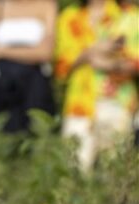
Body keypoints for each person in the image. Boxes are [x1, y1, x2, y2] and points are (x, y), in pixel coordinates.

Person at [56, 0, 138, 171]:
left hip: (117, 101)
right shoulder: (70, 17)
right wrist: (93, 51)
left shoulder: (129, 15)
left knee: (115, 171)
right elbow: (61, 67)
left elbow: (135, 62)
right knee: (74, 170)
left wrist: (107, 64)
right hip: (79, 105)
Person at [0, 0, 58, 133]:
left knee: (35, 130)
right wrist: (30, 52)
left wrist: (1, 51)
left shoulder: (46, 5)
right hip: (2, 86)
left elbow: (45, 53)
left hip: (34, 86)